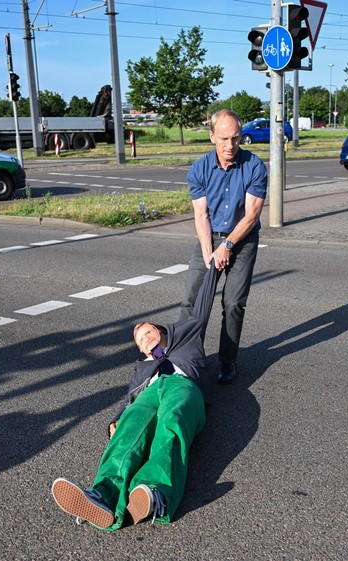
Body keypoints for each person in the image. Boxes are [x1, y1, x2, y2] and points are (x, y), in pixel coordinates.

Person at [51, 264, 222, 531]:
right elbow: (129, 398)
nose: (145, 340)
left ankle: (156, 492)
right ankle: (103, 495)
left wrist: (213, 267)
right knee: (131, 427)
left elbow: (203, 303)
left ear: (161, 331)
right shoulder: (142, 369)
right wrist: (117, 417)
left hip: (184, 386)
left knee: (171, 421)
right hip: (151, 391)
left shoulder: (187, 338)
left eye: (147, 333)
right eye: (140, 341)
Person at [178, 109, 268, 385]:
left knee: (233, 303)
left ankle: (227, 361)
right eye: (225, 139)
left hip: (243, 239)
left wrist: (228, 245)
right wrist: (209, 252)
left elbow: (251, 215)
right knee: (192, 300)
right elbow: (201, 215)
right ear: (212, 137)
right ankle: (184, 358)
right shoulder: (200, 169)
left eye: (236, 139)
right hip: (211, 236)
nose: (230, 146)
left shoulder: (254, 166)